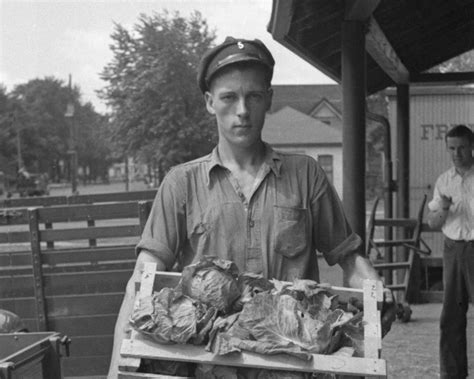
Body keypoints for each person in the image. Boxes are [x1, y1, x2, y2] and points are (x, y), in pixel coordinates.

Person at [108, 36, 395, 378]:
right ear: (209, 102)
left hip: (291, 365)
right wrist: (116, 371)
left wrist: (374, 288)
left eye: (254, 96)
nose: (242, 110)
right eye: (229, 97)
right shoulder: (180, 183)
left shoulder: (306, 175)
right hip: (209, 368)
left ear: (268, 100)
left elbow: (349, 257)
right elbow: (142, 280)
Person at [426, 124, 474, 379]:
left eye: (462, 148)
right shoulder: (444, 181)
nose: (457, 153)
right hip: (453, 249)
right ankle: (452, 374)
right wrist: (444, 209)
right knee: (452, 315)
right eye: (452, 148)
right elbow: (432, 223)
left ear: (471, 147)